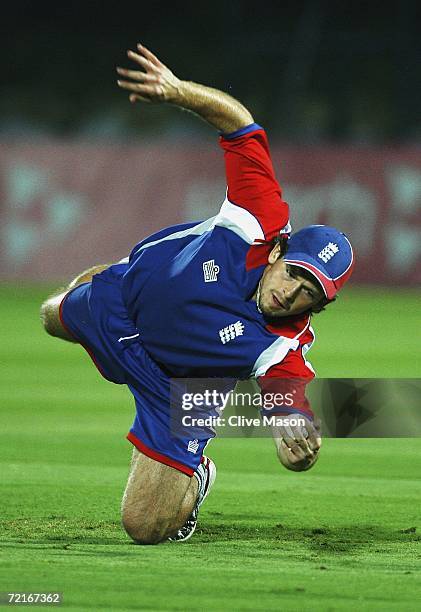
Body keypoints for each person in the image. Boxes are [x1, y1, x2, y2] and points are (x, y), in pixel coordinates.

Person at [40, 43, 355, 545]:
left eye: (311, 292)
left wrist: (293, 434)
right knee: (49, 315)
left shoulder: (283, 345)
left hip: (182, 392)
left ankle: (198, 474)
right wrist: (177, 90)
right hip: (124, 306)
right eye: (295, 273)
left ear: (320, 304)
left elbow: (290, 398)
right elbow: (240, 123)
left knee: (144, 529)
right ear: (280, 252)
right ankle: (120, 274)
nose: (293, 293)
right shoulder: (259, 218)